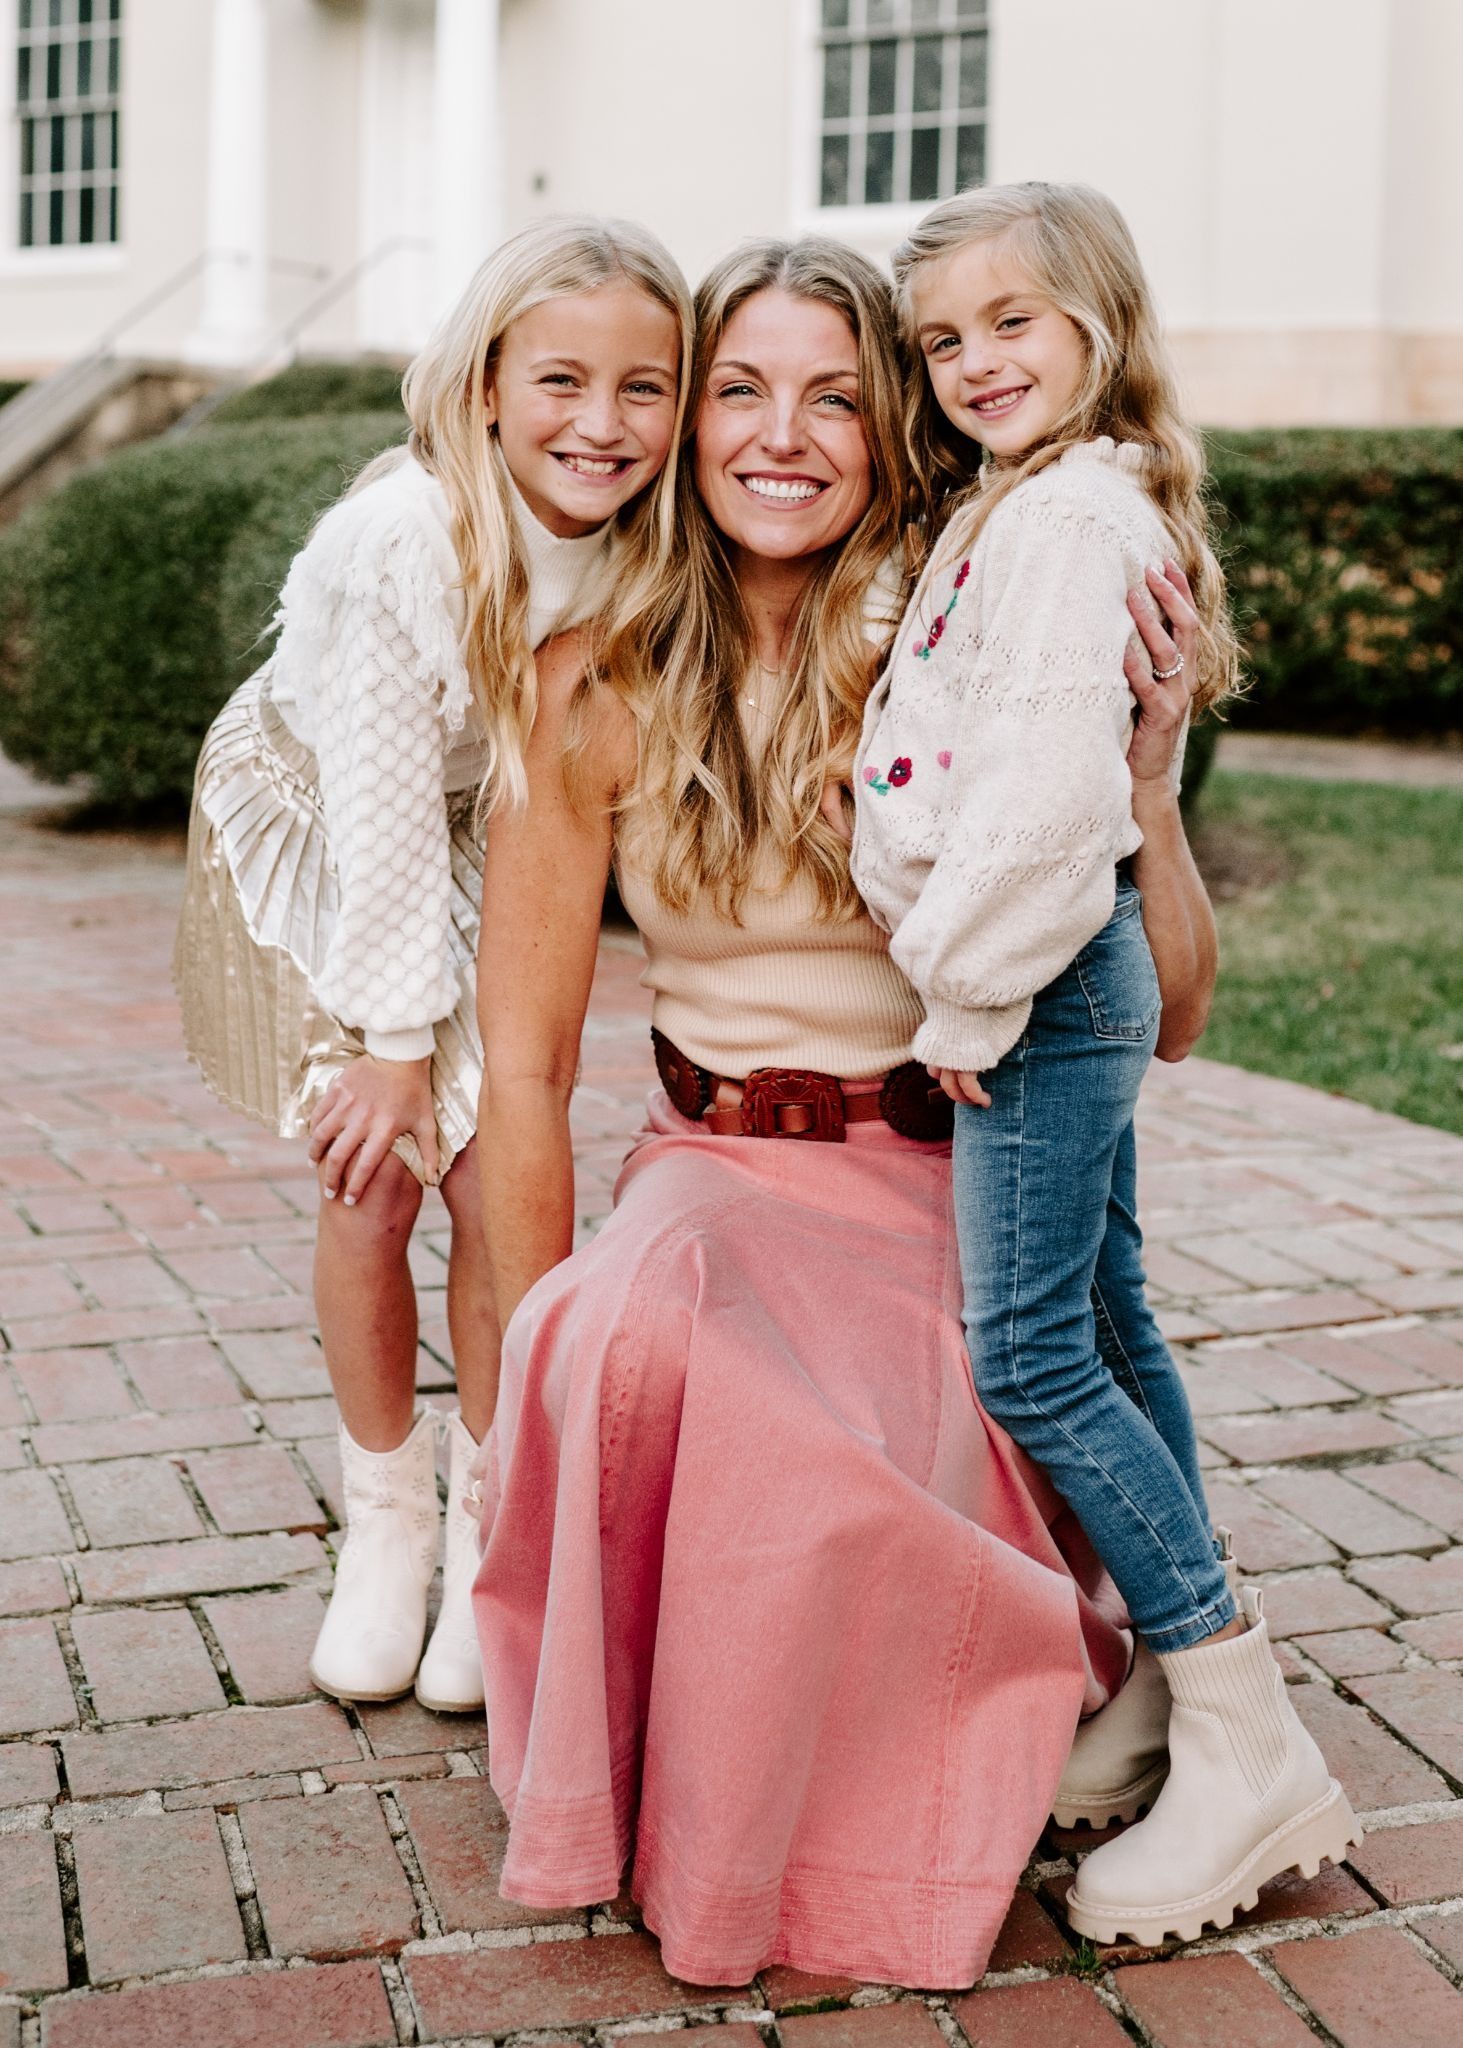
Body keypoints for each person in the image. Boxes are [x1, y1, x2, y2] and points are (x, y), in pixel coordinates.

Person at [469, 236, 1213, 1987]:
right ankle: (692, 1778)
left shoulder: (975, 652)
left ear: (895, 428)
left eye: (835, 396)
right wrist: (524, 1400)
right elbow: (522, 1063)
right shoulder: (596, 682)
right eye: (739, 389)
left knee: (844, 1448)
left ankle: (848, 1821)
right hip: (713, 1168)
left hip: (943, 1179)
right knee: (633, 1336)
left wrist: (1152, 785)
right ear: (692, 422)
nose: (780, 435)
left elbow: (1169, 1017)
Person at [850, 182, 1358, 1949]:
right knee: (1116, 1322)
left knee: (1033, 1355)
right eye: (942, 340)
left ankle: (1241, 1723)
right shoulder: (1035, 502)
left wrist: (964, 1003)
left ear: (1099, 322)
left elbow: (1051, 805)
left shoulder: (1070, 523)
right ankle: (1160, 1677)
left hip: (1041, 987)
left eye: (1014, 322)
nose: (976, 360)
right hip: (1055, 979)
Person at [174, 216, 690, 1714]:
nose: (602, 425)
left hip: (479, 811)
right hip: (318, 812)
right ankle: (382, 1531)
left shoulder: (640, 529)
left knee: (490, 1168)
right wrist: (395, 1043)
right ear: (481, 384)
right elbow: (384, 808)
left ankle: (484, 1537)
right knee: (378, 1162)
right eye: (562, 381)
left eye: (644, 387)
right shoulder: (409, 536)